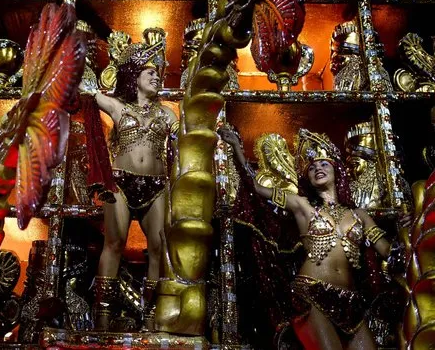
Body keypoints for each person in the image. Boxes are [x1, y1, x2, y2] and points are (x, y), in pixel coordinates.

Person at [219, 126, 410, 350]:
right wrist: (238, 150)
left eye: (323, 163)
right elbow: (256, 187)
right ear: (307, 178)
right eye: (311, 167)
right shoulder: (303, 207)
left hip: (352, 303)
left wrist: (410, 228)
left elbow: (390, 253)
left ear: (337, 169)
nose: (317, 167)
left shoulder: (360, 216)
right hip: (311, 295)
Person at [83, 35, 177, 331]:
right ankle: (102, 316)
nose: (156, 77)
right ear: (134, 76)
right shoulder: (119, 108)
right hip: (121, 183)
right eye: (150, 72)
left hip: (157, 186)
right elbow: (84, 92)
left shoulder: (167, 113)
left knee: (159, 246)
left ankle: (150, 317)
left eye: (159, 73)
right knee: (114, 243)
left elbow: (184, 140)